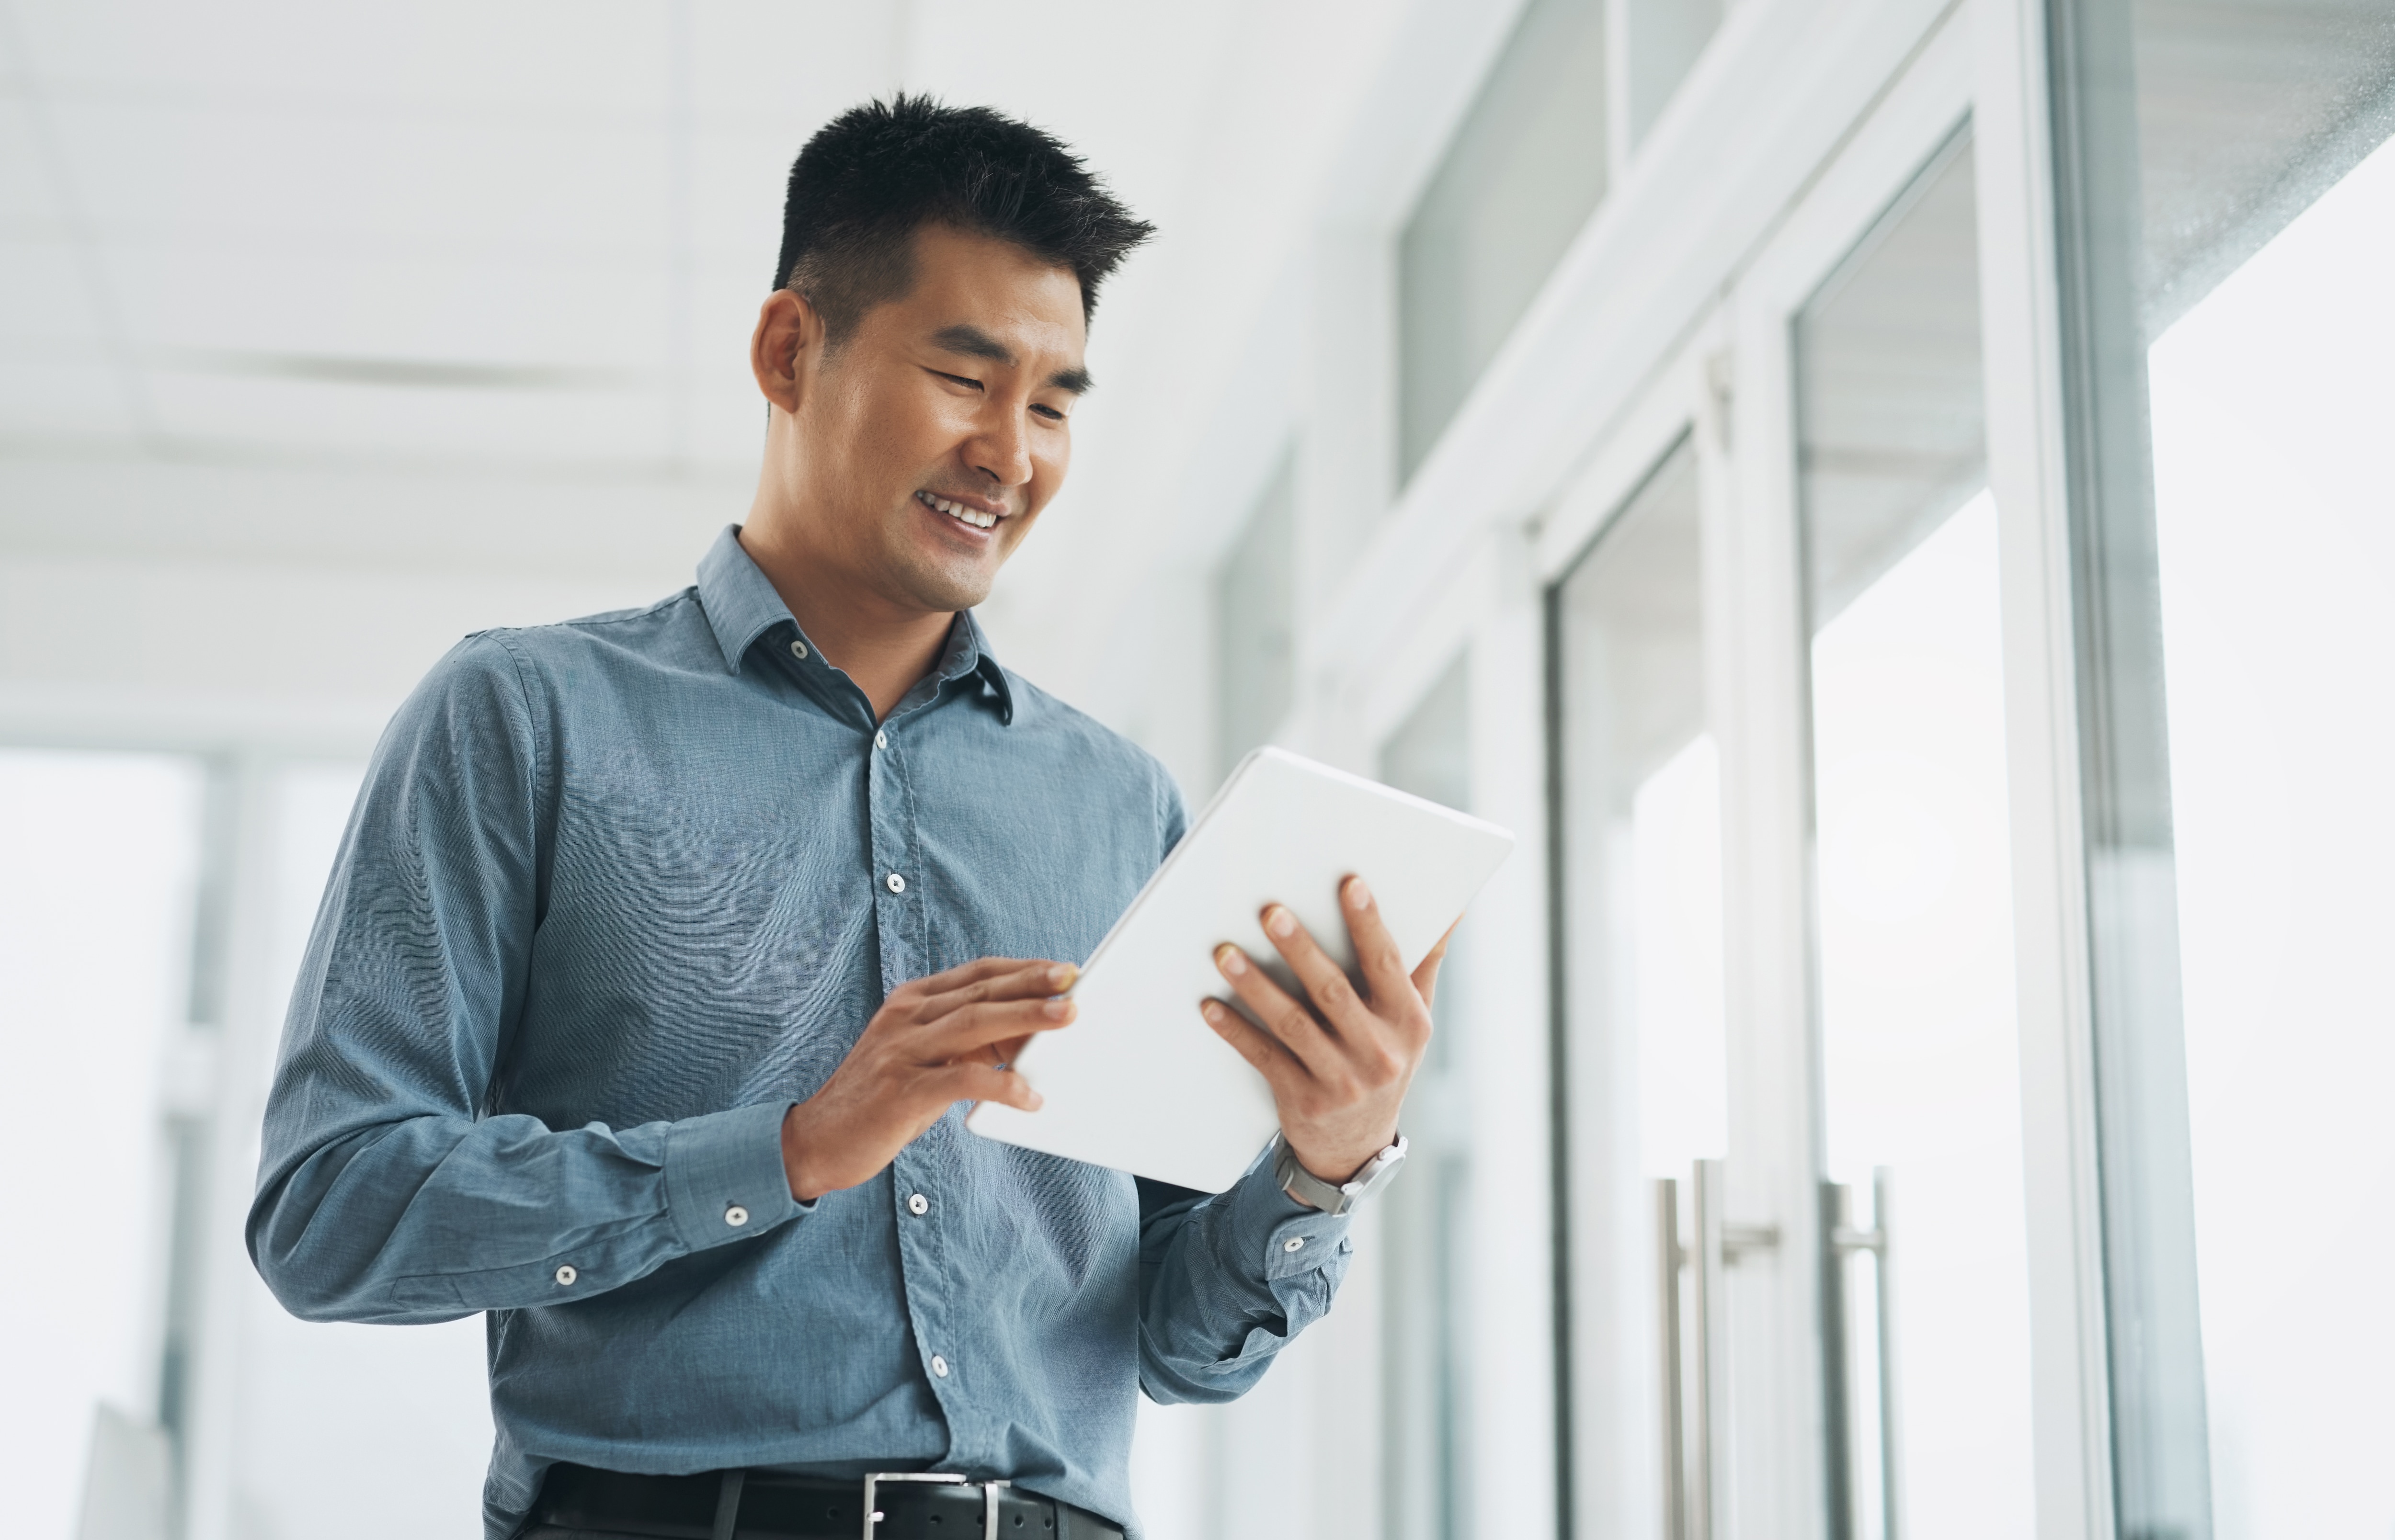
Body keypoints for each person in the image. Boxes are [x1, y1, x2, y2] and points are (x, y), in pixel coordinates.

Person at [247, 96, 1446, 1540]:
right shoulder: (526, 717)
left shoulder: (1117, 801)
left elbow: (1173, 1346)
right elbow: (331, 1215)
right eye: (965, 376)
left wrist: (1324, 1160)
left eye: (1056, 400)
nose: (1013, 453)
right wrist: (795, 1148)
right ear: (787, 352)